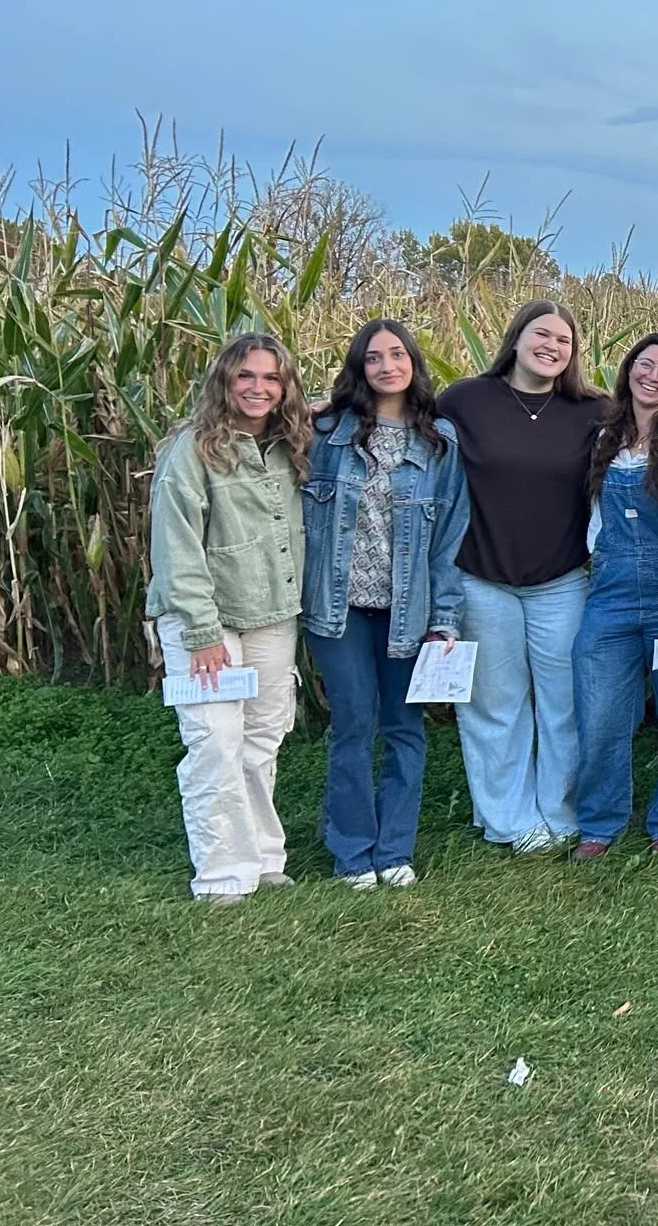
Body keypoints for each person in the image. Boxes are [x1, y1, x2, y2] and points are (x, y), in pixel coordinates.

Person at [300, 319, 469, 890]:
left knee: (404, 728)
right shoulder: (326, 432)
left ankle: (394, 850)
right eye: (374, 358)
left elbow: (449, 538)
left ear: (413, 364)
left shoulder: (439, 441)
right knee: (352, 725)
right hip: (337, 608)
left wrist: (444, 619)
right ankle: (352, 850)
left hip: (409, 611)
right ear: (360, 369)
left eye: (397, 355)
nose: (387, 366)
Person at [436, 300, 606, 855]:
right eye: (542, 334)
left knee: (565, 702)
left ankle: (561, 811)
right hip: (482, 579)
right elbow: (399, 424)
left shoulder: (591, 411)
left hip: (560, 580)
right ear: (516, 338)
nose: (552, 346)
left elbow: (657, 431)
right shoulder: (465, 400)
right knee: (494, 704)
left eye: (564, 339)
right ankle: (508, 819)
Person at [146, 332, 311, 904]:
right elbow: (176, 546)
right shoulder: (193, 450)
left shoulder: (291, 445)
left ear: (285, 386)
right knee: (214, 739)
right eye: (246, 376)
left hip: (271, 612)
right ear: (224, 381)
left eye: (271, 378)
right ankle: (220, 874)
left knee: (263, 737)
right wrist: (200, 631)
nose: (258, 388)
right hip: (207, 622)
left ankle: (263, 858)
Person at [570, 333, 658, 861]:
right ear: (628, 370)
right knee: (600, 713)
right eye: (644, 365)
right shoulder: (600, 435)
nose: (652, 375)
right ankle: (600, 823)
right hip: (608, 592)